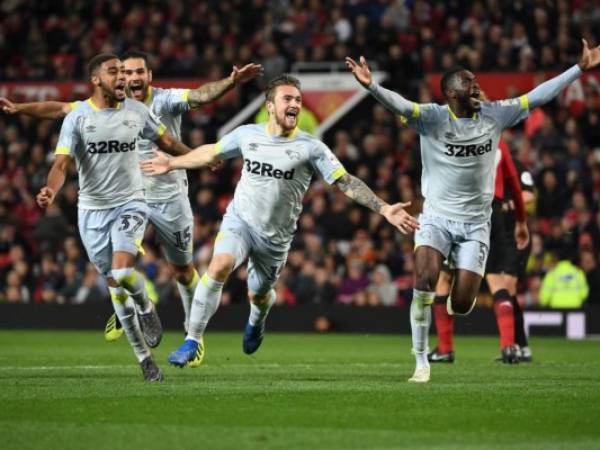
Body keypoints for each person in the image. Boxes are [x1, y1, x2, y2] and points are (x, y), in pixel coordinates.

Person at [346, 39, 600, 383]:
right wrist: (372, 86)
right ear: (451, 93)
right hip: (435, 217)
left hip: (477, 224)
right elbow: (401, 105)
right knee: (424, 280)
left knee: (463, 303)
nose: (476, 85)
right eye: (468, 82)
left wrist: (578, 70)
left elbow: (538, 95)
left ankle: (455, 300)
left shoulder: (495, 113)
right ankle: (421, 360)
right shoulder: (432, 118)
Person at [1, 51, 262, 367]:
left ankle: (193, 335)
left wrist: (232, 82)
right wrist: (19, 108)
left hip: (168, 197)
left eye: (139, 71)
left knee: (181, 268)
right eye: (125, 72)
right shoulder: (96, 108)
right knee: (117, 270)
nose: (131, 77)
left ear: (149, 76)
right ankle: (129, 311)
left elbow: (201, 95)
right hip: (127, 197)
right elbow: (58, 109)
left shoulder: (164, 101)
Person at [140, 74, 419, 368]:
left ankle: (257, 320)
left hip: (275, 238)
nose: (295, 104)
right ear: (270, 105)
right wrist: (171, 162)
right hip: (241, 222)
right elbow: (211, 151)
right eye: (288, 99)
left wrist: (384, 208)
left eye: (298, 100)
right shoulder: (248, 134)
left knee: (258, 295)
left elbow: (345, 181)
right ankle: (193, 340)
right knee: (219, 264)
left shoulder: (311, 148)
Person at [36, 53, 201, 381]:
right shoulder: (79, 118)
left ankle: (146, 308)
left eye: (125, 73)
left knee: (123, 270)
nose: (123, 78)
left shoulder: (138, 111)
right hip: (92, 211)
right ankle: (144, 358)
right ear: (96, 80)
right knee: (113, 282)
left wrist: (198, 157)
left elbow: (167, 141)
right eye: (114, 73)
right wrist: (51, 190)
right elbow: (61, 165)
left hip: (131, 203)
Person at [428, 138, 530, 364]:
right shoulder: (498, 141)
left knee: (444, 279)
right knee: (496, 280)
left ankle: (445, 349)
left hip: (459, 210)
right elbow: (513, 181)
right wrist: (521, 221)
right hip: (493, 212)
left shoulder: (454, 136)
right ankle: (509, 347)